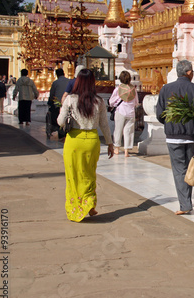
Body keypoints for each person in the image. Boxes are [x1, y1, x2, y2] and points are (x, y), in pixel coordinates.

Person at [57, 69, 114, 222]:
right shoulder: (99, 101)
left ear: (77, 82)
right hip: (92, 141)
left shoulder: (70, 99)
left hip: (74, 140)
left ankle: (75, 208)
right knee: (89, 174)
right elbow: (104, 124)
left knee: (73, 176)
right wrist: (110, 143)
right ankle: (90, 203)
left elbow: (61, 122)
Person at [156, 60, 194, 215]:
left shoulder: (166, 90)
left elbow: (160, 114)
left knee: (179, 170)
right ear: (189, 72)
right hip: (192, 135)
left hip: (173, 136)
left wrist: (172, 124)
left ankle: (185, 204)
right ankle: (186, 201)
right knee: (189, 168)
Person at [109, 71, 138, 157]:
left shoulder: (118, 89)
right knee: (128, 131)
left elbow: (111, 101)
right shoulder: (133, 89)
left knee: (118, 129)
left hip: (120, 111)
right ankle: (126, 150)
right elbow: (136, 102)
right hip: (131, 112)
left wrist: (114, 104)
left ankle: (117, 148)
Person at [48, 68, 70, 138]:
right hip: (68, 102)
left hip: (58, 103)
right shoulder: (69, 81)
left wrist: (50, 101)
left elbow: (52, 94)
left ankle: (59, 130)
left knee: (57, 116)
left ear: (57, 75)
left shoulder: (55, 83)